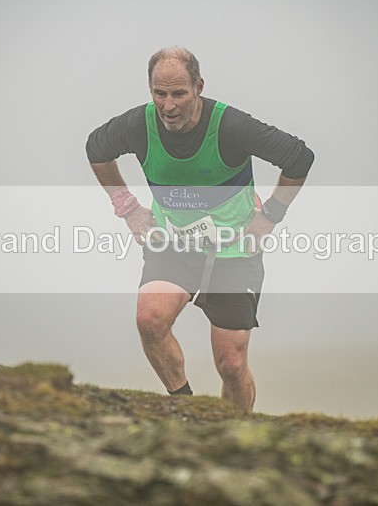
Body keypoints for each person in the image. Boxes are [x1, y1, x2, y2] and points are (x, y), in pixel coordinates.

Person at [86, 47, 314, 412]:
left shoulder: (231, 126)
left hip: (235, 249)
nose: (169, 106)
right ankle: (185, 412)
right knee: (149, 321)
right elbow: (96, 148)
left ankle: (236, 435)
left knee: (232, 366)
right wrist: (128, 209)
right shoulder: (138, 125)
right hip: (173, 243)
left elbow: (299, 157)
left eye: (179, 93)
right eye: (159, 93)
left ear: (199, 87)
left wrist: (270, 215)